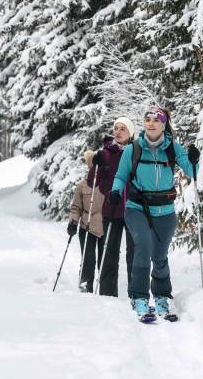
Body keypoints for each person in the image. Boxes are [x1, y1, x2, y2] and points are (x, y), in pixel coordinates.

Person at [108, 107, 198, 322]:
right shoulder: (134, 149)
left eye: (155, 120)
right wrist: (115, 191)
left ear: (164, 124)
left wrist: (194, 160)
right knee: (144, 246)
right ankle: (139, 297)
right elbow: (121, 176)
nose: (150, 123)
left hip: (165, 211)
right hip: (137, 208)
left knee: (159, 255)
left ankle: (161, 296)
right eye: (147, 120)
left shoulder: (173, 149)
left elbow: (192, 172)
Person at [91, 117, 135, 297]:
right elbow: (92, 181)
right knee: (109, 255)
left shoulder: (137, 152)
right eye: (116, 128)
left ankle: (137, 294)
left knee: (134, 255)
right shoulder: (106, 152)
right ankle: (107, 296)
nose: (118, 131)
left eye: (122, 128)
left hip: (134, 210)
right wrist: (97, 165)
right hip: (112, 210)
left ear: (130, 132)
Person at [67, 151, 105, 292]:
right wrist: (73, 222)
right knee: (88, 259)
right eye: (91, 165)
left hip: (104, 227)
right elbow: (76, 207)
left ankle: (105, 287)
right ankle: (85, 284)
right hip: (86, 227)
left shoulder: (107, 183)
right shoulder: (82, 185)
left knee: (104, 260)